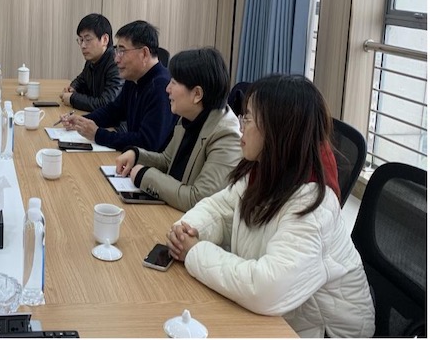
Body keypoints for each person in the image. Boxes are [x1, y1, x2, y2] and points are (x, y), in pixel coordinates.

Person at [166, 74, 373, 337]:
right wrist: (187, 230)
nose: (240, 125)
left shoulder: (313, 203)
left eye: (248, 118)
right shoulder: (264, 168)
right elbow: (219, 209)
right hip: (280, 316)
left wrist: (195, 252)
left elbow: (266, 289)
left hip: (320, 331)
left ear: (277, 130)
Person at [114, 47, 242, 211]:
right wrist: (137, 155)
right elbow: (167, 161)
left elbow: (199, 199)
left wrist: (145, 176)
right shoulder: (189, 116)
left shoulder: (226, 136)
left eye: (174, 82)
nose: (167, 88)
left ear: (197, 94)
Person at [63, 20, 175, 152]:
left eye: (122, 51)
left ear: (144, 53)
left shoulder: (162, 87)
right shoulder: (135, 78)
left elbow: (147, 142)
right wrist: (82, 121)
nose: (116, 59)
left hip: (149, 162)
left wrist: (98, 134)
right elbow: (114, 111)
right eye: (117, 51)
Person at [60, 13, 123, 111]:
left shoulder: (117, 63)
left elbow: (107, 103)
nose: (83, 46)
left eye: (88, 39)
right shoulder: (92, 60)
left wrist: (72, 99)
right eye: (81, 40)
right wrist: (73, 87)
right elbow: (81, 79)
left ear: (105, 40)